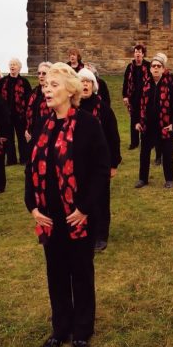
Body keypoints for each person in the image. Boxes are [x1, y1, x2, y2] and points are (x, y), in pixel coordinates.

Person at [24, 63, 110, 347]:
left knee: (81, 273)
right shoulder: (42, 124)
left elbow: (101, 169)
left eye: (54, 85)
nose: (47, 89)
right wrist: (33, 207)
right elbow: (30, 167)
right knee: (56, 273)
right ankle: (60, 327)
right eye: (45, 85)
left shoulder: (87, 124)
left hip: (77, 216)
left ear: (70, 90)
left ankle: (83, 330)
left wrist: (85, 207)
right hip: (48, 215)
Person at [78, 68, 121, 252]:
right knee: (83, 197)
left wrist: (113, 164)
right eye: (82, 82)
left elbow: (113, 137)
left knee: (101, 200)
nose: (85, 85)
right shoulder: (74, 107)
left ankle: (101, 235)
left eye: (88, 82)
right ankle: (86, 230)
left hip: (100, 164)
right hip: (80, 163)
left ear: (93, 85)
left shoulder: (103, 108)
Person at [134, 53, 173, 189]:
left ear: (163, 69)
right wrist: (137, 121)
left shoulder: (169, 84)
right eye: (153, 66)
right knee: (144, 153)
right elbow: (137, 103)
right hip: (147, 125)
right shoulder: (144, 84)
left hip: (164, 125)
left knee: (167, 154)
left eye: (159, 66)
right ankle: (142, 178)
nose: (156, 68)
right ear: (150, 69)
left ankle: (169, 179)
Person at [0, 57, 32, 165]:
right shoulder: (2, 82)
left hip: (20, 115)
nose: (12, 66)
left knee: (22, 138)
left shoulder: (24, 82)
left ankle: (24, 159)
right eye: (11, 64)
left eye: (14, 64)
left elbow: (29, 98)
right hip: (6, 115)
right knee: (9, 138)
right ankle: (11, 160)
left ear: (19, 68)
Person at [122, 43, 152, 150]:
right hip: (133, 97)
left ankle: (146, 141)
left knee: (145, 118)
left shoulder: (148, 66)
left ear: (143, 54)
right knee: (134, 119)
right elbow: (125, 82)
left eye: (140, 52)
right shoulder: (130, 67)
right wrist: (125, 96)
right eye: (136, 52)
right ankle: (134, 143)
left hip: (146, 97)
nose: (137, 54)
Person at [25, 62, 52, 143]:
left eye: (44, 73)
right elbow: (28, 112)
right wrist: (27, 129)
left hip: (48, 133)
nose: (41, 76)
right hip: (32, 133)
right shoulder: (34, 93)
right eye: (39, 73)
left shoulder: (53, 93)